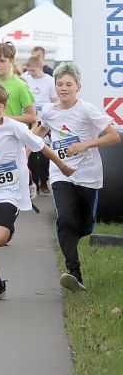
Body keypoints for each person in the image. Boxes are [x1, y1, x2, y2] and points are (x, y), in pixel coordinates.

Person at [0, 82, 75, 301]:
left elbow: (41, 146)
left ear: (4, 107)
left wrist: (62, 166)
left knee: (0, 239)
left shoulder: (14, 127)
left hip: (8, 191)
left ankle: (8, 223)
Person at [35, 63, 121, 292]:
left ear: (78, 87)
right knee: (64, 219)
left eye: (68, 84)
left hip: (88, 176)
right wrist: (23, 147)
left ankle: (83, 229)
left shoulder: (87, 110)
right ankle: (74, 273)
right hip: (61, 173)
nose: (63, 88)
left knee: (83, 227)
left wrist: (85, 144)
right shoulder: (49, 110)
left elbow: (113, 137)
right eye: (59, 84)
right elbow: (40, 132)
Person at [23, 55, 58, 195]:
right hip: (30, 120)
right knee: (29, 152)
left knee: (43, 152)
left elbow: (55, 100)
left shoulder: (49, 81)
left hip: (44, 121)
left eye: (34, 71)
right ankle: (33, 183)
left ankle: (44, 182)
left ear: (41, 67)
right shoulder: (25, 78)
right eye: (29, 70)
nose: (31, 73)